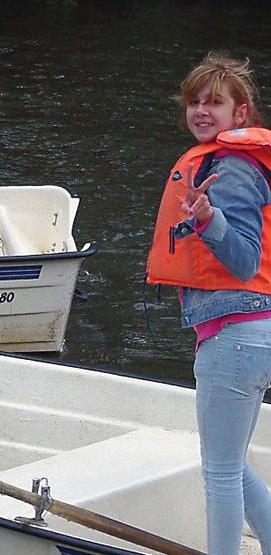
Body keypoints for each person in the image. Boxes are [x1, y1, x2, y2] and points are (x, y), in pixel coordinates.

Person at [146, 53, 271, 554]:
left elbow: (243, 260)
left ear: (240, 115)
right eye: (194, 101)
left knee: (219, 473)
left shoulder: (233, 168)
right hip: (251, 333)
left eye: (214, 102)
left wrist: (206, 218)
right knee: (232, 464)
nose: (200, 110)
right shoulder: (226, 160)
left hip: (236, 337)